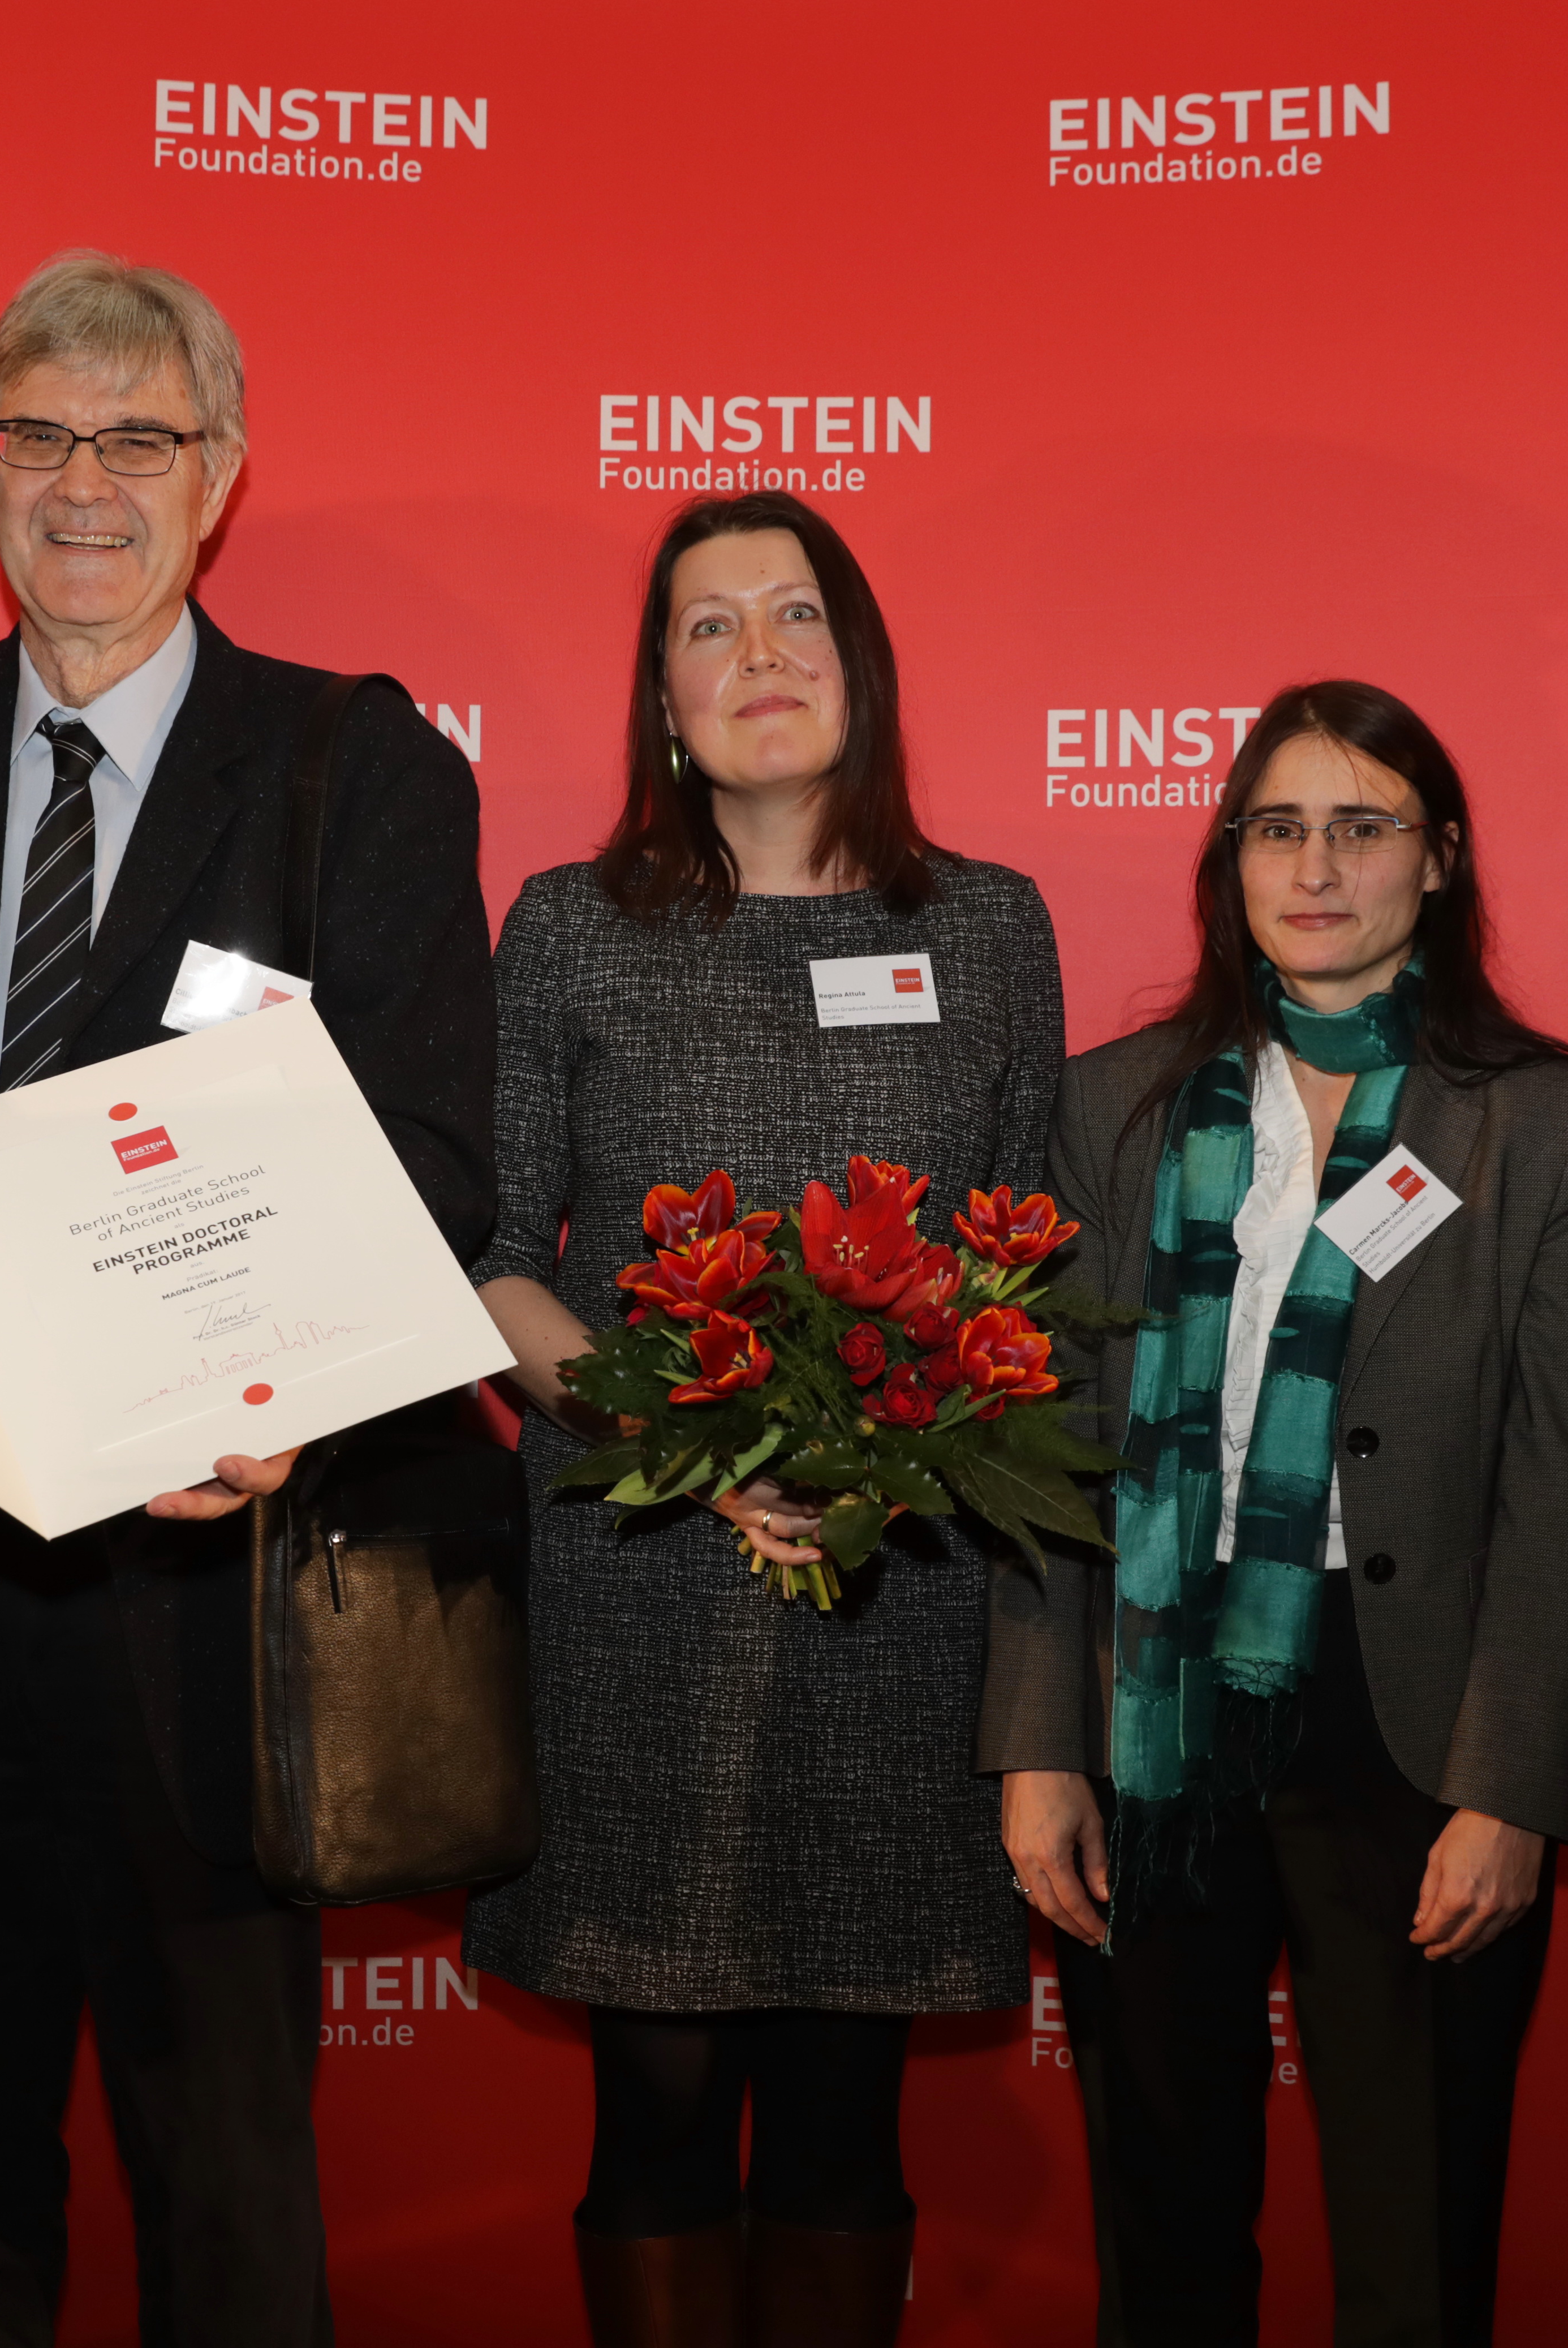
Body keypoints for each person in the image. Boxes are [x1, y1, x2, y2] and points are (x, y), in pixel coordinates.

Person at [0, 250, 490, 2348]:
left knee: (226, 2195)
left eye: (136, 438)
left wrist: (272, 1397)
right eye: (37, 435)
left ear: (220, 474)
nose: (85, 485)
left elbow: (433, 1160)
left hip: (208, 1602)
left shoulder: (357, 768)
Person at [462, 489, 1066, 2348]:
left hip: (907, 1598)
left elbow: (1024, 1269)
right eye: (707, 627)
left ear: (857, 665)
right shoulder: (568, 929)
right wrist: (694, 1448)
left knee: (841, 2117)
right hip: (641, 1575)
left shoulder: (985, 926)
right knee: (650, 2110)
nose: (757, 659)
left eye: (793, 617)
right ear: (661, 694)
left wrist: (895, 1459)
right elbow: (493, 1262)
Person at [985, 681, 1568, 2342]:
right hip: (1153, 1702)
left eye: (1362, 826)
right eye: (1278, 825)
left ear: (1441, 859)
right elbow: (1047, 1449)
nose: (1316, 867)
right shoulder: (1112, 1107)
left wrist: (1508, 1787)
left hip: (1405, 1717)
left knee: (1412, 2219)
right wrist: (1038, 1745)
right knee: (1164, 2198)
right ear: (1230, 860)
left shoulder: (1545, 1122)